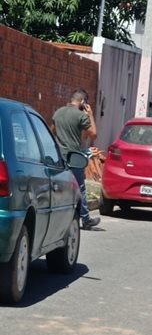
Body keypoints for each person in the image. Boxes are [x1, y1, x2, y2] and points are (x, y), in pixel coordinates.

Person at [52, 88, 101, 230]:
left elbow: (52, 131)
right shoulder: (81, 116)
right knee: (80, 188)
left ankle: (58, 217)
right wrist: (90, 115)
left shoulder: (58, 112)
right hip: (74, 158)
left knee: (59, 187)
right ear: (83, 102)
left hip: (59, 157)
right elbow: (93, 134)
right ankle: (85, 220)